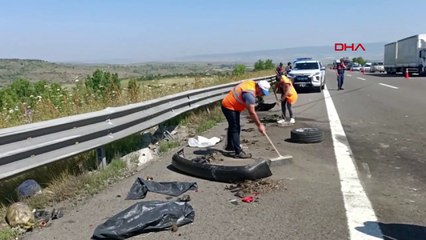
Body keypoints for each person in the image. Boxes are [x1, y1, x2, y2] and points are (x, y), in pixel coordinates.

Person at [221, 80, 270, 158]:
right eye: (263, 92)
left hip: (233, 105)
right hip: (229, 106)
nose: (262, 95)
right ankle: (238, 152)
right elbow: (252, 113)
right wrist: (259, 125)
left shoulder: (251, 83)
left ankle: (230, 146)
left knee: (233, 126)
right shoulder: (249, 95)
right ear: (258, 88)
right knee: (235, 128)